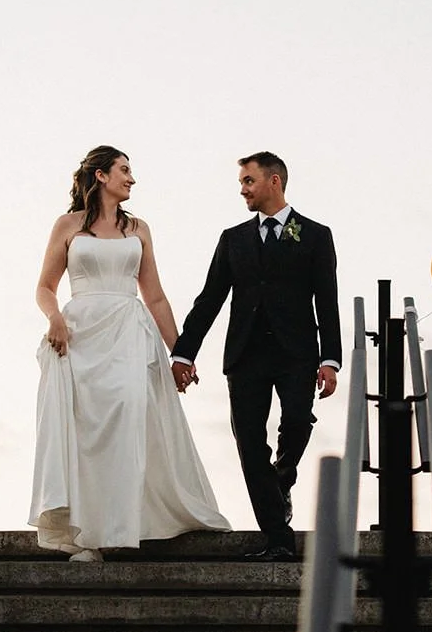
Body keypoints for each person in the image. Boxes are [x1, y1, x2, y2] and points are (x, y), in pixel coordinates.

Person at [29, 146, 231, 560]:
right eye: (124, 170)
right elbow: (45, 286)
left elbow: (154, 297)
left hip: (127, 335)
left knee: (125, 422)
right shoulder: (67, 225)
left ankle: (124, 526)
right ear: (101, 176)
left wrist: (181, 354)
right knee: (85, 433)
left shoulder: (139, 228)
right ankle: (88, 538)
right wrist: (55, 320)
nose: (131, 179)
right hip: (79, 335)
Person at [171, 152, 340, 561]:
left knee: (298, 422)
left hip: (297, 353)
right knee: (249, 442)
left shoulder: (315, 235)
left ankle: (281, 481)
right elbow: (209, 299)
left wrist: (330, 360)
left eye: (249, 181)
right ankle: (277, 536)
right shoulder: (234, 239)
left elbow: (327, 300)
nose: (242, 189)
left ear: (274, 182)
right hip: (246, 355)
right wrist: (183, 353)